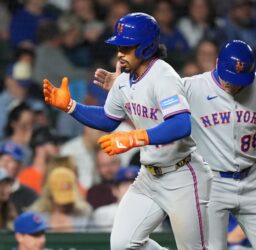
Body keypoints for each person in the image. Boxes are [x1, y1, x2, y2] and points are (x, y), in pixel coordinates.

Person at [95, 40, 256, 250]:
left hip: (252, 181)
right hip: (214, 183)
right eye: (229, 77)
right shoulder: (192, 87)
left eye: (240, 79)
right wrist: (122, 88)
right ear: (216, 64)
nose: (232, 84)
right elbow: (154, 103)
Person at [43, 12, 212, 250]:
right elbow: (108, 119)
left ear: (144, 48)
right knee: (122, 245)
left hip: (182, 174)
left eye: (126, 46)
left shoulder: (163, 77)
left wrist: (135, 137)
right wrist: (71, 107)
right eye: (119, 46)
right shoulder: (124, 80)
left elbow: (181, 125)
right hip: (150, 176)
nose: (120, 52)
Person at [89, 165, 139, 231]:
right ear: (115, 190)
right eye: (125, 185)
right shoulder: (103, 213)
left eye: (134, 185)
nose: (130, 189)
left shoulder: (151, 212)